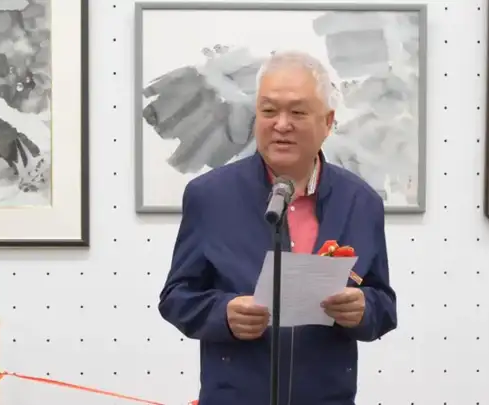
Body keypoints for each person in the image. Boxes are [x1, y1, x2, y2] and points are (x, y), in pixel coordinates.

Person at [158, 50, 397, 405]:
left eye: (298, 112)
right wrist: (223, 313)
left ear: (328, 122)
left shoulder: (361, 203)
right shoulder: (210, 197)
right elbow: (176, 298)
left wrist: (364, 309)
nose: (281, 125)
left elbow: (384, 305)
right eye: (269, 111)